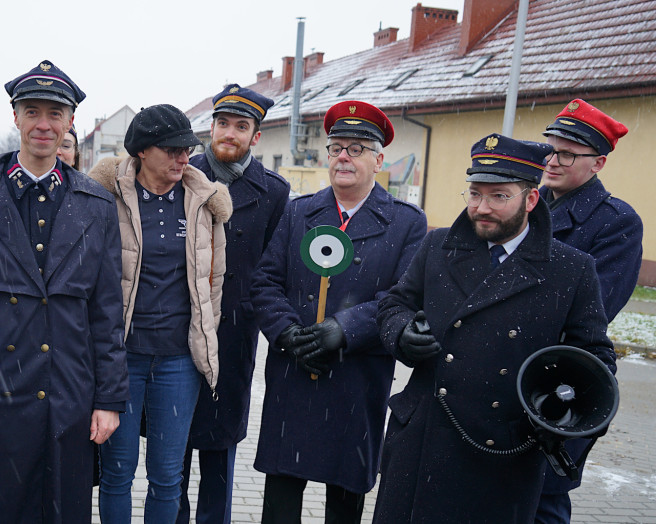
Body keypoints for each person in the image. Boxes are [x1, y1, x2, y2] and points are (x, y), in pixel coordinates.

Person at [373, 133, 617, 523]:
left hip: (505, 450)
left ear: (531, 199)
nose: (481, 208)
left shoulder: (571, 269)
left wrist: (559, 410)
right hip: (422, 441)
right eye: (474, 194)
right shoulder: (438, 246)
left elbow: (594, 357)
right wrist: (401, 332)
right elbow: (394, 303)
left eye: (499, 196)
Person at [0, 60, 127, 524]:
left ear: (70, 122)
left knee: (57, 507)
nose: (43, 124)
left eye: (55, 114)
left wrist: (109, 399)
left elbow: (106, 309)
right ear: (15, 117)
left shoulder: (95, 203)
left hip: (66, 386)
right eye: (32, 111)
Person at [251, 100, 427, 524]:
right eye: (336, 148)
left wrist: (344, 329)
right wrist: (288, 333)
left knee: (345, 502)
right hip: (294, 375)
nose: (344, 156)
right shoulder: (299, 212)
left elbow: (404, 296)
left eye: (357, 147)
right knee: (280, 498)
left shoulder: (407, 223)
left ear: (378, 158)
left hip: (354, 379)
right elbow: (265, 282)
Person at [88, 104, 231, 524]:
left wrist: (205, 333)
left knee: (168, 476)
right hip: (121, 360)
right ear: (142, 151)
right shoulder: (105, 196)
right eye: (171, 150)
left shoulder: (204, 200)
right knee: (117, 472)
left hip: (179, 362)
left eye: (187, 148)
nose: (183, 158)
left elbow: (215, 278)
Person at [178, 84, 289, 524]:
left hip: (234, 340)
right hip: (178, 334)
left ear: (255, 136)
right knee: (174, 453)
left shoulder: (274, 193)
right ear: (211, 126)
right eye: (223, 123)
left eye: (241, 126)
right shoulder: (183, 176)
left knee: (220, 454)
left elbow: (274, 270)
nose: (229, 133)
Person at [534, 99, 643, 523]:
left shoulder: (616, 222)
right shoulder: (522, 205)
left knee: (544, 496)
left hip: (559, 376)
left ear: (597, 163)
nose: (552, 161)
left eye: (566, 154)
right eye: (550, 149)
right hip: (504, 368)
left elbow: (595, 308)